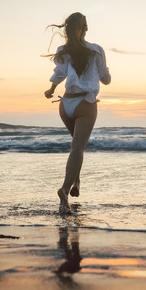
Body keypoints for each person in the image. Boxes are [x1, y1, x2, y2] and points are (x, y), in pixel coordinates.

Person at [43, 12, 111, 215]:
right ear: (86, 28)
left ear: (67, 29)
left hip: (65, 104)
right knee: (78, 148)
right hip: (85, 103)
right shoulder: (96, 50)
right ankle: (64, 189)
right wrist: (106, 73)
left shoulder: (63, 50)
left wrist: (51, 90)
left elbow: (59, 74)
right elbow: (106, 80)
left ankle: (77, 181)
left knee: (76, 148)